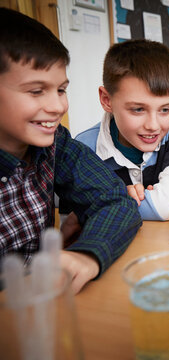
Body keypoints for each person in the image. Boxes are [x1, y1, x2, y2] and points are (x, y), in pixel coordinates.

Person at [0, 8, 142, 294]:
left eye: (61, 89)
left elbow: (114, 200)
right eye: (36, 91)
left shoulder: (56, 144)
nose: (57, 106)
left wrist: (86, 255)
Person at [75, 39, 169, 221]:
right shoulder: (84, 148)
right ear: (107, 100)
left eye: (165, 109)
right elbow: (70, 217)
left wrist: (106, 202)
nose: (153, 125)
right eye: (138, 109)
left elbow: (168, 204)